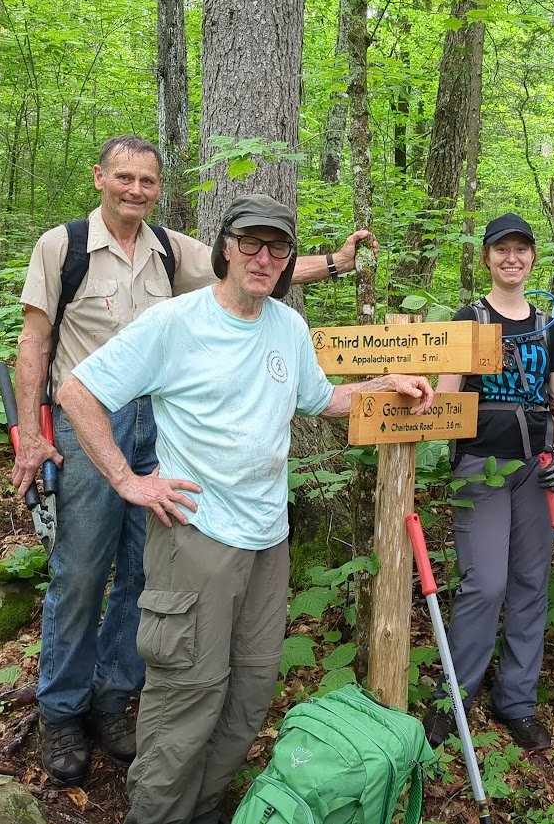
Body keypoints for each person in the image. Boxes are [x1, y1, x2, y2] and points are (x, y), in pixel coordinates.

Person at [55, 193, 433, 824]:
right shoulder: (177, 322)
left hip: (267, 537)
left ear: (288, 259)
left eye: (277, 247)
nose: (264, 257)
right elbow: (77, 390)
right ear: (226, 246)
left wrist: (382, 386)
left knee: (251, 692)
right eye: (251, 243)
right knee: (188, 696)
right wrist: (129, 481)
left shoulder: (285, 324)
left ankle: (204, 808)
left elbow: (318, 400)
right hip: (195, 536)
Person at [11, 135, 374, 785]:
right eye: (124, 177)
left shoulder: (169, 249)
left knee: (141, 583)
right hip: (93, 419)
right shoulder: (63, 248)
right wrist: (34, 434)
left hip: (160, 421)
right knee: (81, 571)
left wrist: (340, 264)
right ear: (100, 177)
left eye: (147, 180)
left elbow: (268, 273)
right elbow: (38, 342)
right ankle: (61, 711)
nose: (135, 189)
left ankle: (114, 699)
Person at [422, 213, 554, 751]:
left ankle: (517, 700)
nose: (512, 258)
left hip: (536, 468)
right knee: (485, 583)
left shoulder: (548, 328)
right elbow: (447, 393)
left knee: (531, 584)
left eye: (522, 250)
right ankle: (453, 699)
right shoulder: (471, 318)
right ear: (486, 257)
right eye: (501, 249)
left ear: (533, 258)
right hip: (481, 466)